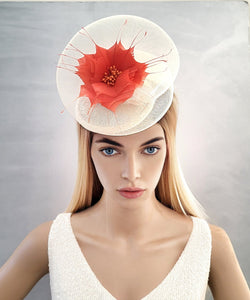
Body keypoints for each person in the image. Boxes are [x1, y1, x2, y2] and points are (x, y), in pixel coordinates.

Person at [0, 15, 249, 300]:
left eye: (150, 149)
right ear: (88, 151)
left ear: (169, 149)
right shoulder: (49, 242)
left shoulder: (210, 245)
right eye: (110, 150)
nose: (132, 173)